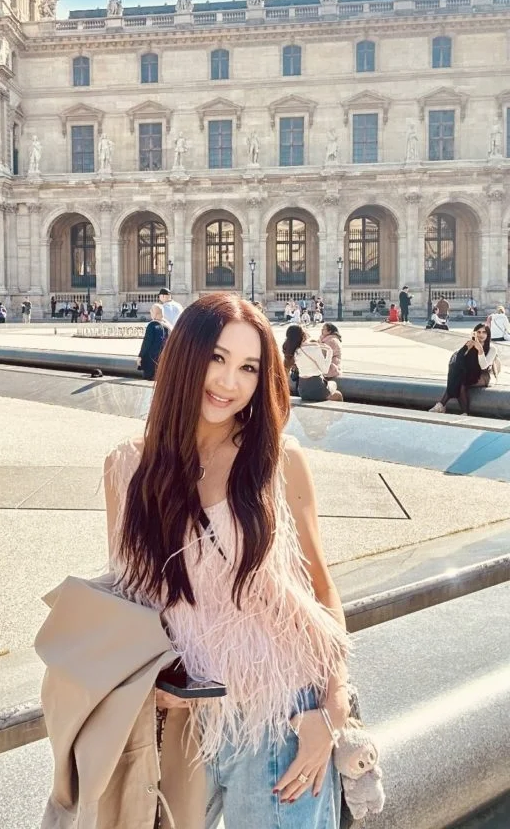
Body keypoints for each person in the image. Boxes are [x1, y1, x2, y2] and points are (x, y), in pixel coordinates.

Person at [102, 294, 350, 828]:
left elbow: (320, 589)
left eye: (249, 368)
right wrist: (151, 681)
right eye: (217, 358)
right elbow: (129, 602)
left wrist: (332, 709)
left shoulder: (278, 460)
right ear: (184, 357)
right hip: (181, 724)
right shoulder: (126, 467)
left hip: (281, 718)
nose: (229, 382)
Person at [430, 323, 497, 415]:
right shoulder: (470, 344)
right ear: (474, 333)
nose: (481, 335)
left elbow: (484, 366)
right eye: (478, 332)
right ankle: (462, 412)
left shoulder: (492, 349)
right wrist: (466, 349)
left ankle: (443, 405)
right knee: (458, 381)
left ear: (488, 334)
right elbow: (460, 361)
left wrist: (480, 350)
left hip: (485, 376)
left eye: (484, 332)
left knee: (460, 383)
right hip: (471, 374)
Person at [283, 325, 343, 403]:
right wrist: (329, 351)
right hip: (317, 388)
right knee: (337, 392)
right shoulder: (314, 348)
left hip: (302, 391)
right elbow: (325, 370)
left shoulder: (294, 351)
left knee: (331, 387)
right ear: (303, 335)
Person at [136, 303, 170, 381]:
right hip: (163, 360)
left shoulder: (152, 325)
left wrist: (140, 356)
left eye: (151, 310)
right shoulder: (167, 326)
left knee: (149, 379)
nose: (150, 311)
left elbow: (146, 342)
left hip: (151, 361)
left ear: (156, 314)